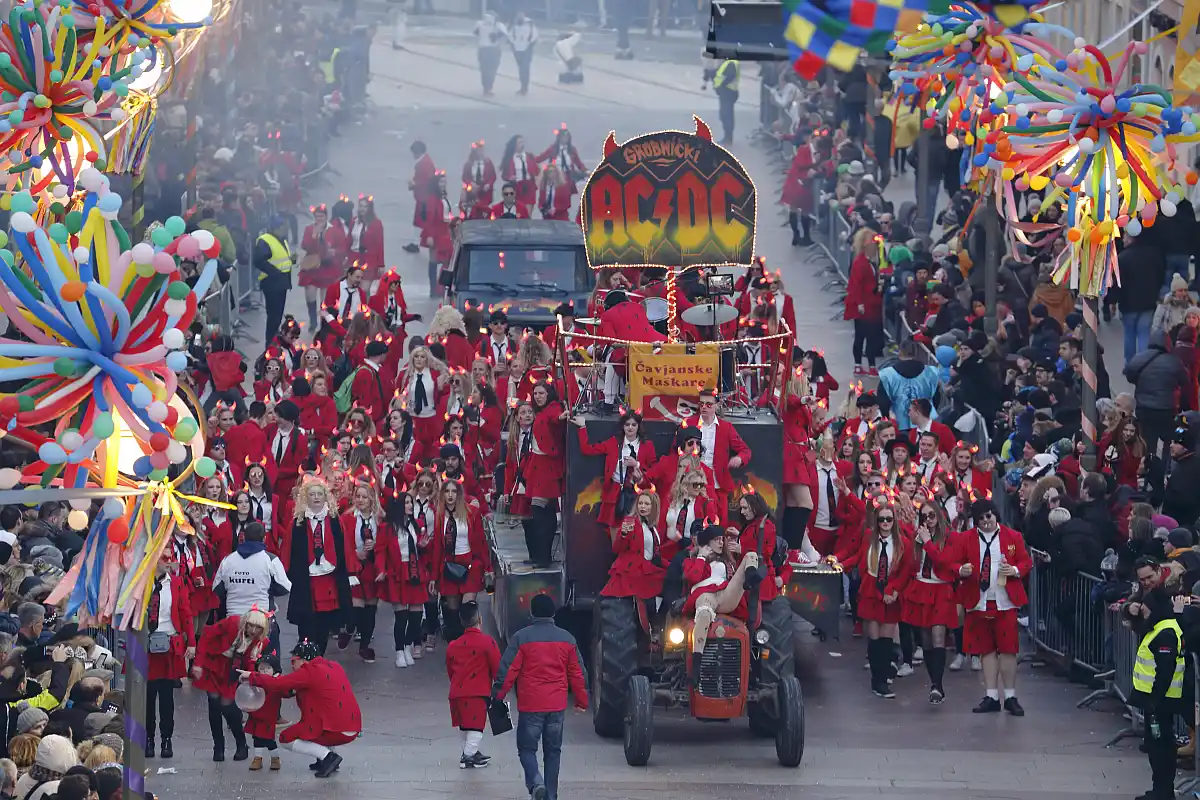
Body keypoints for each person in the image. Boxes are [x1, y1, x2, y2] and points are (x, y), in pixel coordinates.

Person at [491, 594, 588, 800]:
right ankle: (551, 795)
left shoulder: (521, 638)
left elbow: (508, 671)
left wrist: (497, 695)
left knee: (527, 749)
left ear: (532, 613)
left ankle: (536, 784)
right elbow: (578, 674)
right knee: (553, 752)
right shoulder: (567, 639)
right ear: (553, 613)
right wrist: (581, 701)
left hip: (531, 706)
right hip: (556, 707)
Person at [951, 498, 1032, 716]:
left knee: (1008, 650)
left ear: (995, 514)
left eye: (989, 516)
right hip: (978, 601)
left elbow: (1026, 562)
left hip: (1005, 601)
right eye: (980, 519)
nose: (986, 521)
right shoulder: (965, 539)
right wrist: (961, 570)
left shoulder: (1013, 536)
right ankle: (991, 695)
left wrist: (1014, 570)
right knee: (985, 650)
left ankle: (1011, 696)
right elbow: (953, 563)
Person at [239, 639, 363, 779]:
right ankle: (324, 759)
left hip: (336, 730)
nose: (292, 665)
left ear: (304, 661)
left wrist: (251, 676)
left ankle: (328, 757)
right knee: (316, 727)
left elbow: (279, 684)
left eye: (294, 660)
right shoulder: (334, 666)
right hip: (352, 726)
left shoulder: (309, 671)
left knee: (286, 738)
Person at [1126, 565, 1184, 800]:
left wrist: (1155, 700)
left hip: (1161, 701)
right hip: (1155, 700)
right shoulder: (1157, 628)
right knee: (1155, 745)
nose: (1144, 613)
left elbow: (1165, 670)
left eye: (1147, 610)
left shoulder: (1165, 633)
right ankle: (1159, 788)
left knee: (1161, 747)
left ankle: (1163, 791)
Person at [193, 609, 270, 761]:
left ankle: (241, 744)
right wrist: (198, 664)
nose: (253, 630)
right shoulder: (232, 623)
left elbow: (251, 663)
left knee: (229, 708)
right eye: (250, 626)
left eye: (258, 628)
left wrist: (250, 678)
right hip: (214, 666)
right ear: (245, 623)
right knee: (214, 706)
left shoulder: (261, 641)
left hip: (233, 671)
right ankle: (218, 746)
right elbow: (207, 635)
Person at [145, 557, 194, 760]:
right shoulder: (140, 582)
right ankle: (148, 740)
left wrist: (191, 641)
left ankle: (166, 739)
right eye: (165, 558)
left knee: (166, 699)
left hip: (169, 645)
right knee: (147, 698)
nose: (169, 561)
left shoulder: (175, 582)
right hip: (146, 645)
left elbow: (185, 612)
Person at [444, 602, 501, 769]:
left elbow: (450, 670)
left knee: (464, 726)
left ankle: (472, 753)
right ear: (480, 619)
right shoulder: (487, 643)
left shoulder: (452, 646)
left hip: (456, 692)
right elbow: (497, 668)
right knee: (476, 727)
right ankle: (468, 756)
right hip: (477, 692)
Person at [253, 216, 295, 346]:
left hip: (281, 283)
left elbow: (279, 259)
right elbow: (259, 261)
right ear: (277, 227)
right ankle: (270, 344)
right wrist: (276, 273)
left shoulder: (281, 239)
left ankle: (274, 342)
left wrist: (291, 260)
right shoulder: (265, 241)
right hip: (272, 283)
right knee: (273, 316)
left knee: (277, 315)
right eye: (284, 226)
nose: (287, 228)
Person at [245, 654, 284, 772]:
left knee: (269, 740)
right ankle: (258, 758)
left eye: (268, 668)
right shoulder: (256, 682)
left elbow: (286, 691)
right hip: (256, 715)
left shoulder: (276, 683)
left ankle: (275, 758)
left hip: (268, 717)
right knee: (257, 738)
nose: (264, 671)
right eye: (261, 668)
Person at [406, 142, 437, 256]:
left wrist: (413, 184)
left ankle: (416, 243)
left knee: (419, 220)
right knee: (419, 220)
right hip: (424, 196)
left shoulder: (424, 164)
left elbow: (425, 181)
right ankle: (416, 242)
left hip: (424, 196)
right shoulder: (425, 161)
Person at [474, 12, 507, 95]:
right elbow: (504, 36)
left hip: (488, 49)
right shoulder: (482, 24)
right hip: (489, 49)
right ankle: (487, 87)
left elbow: (475, 33)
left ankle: (487, 87)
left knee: (487, 70)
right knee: (488, 70)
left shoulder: (497, 26)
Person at [507, 12, 538, 95]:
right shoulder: (513, 26)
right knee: (521, 70)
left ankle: (525, 88)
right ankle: (522, 86)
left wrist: (529, 48)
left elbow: (534, 37)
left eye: (521, 17)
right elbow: (510, 37)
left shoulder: (530, 26)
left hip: (526, 50)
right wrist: (513, 48)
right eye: (518, 17)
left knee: (525, 69)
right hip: (517, 50)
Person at [712, 58, 739, 145]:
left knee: (726, 116)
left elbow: (730, 75)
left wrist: (721, 85)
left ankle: (728, 138)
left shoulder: (731, 62)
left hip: (728, 92)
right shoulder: (727, 62)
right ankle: (727, 137)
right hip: (727, 92)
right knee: (724, 115)